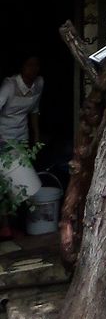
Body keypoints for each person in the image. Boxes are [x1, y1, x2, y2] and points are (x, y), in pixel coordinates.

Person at [0, 56, 44, 238]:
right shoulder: (9, 86)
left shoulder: (39, 84)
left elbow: (34, 110)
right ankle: (5, 226)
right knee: (5, 183)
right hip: (3, 138)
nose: (33, 69)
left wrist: (36, 135)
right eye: (29, 65)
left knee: (22, 182)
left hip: (22, 137)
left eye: (36, 65)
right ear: (21, 67)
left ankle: (18, 225)